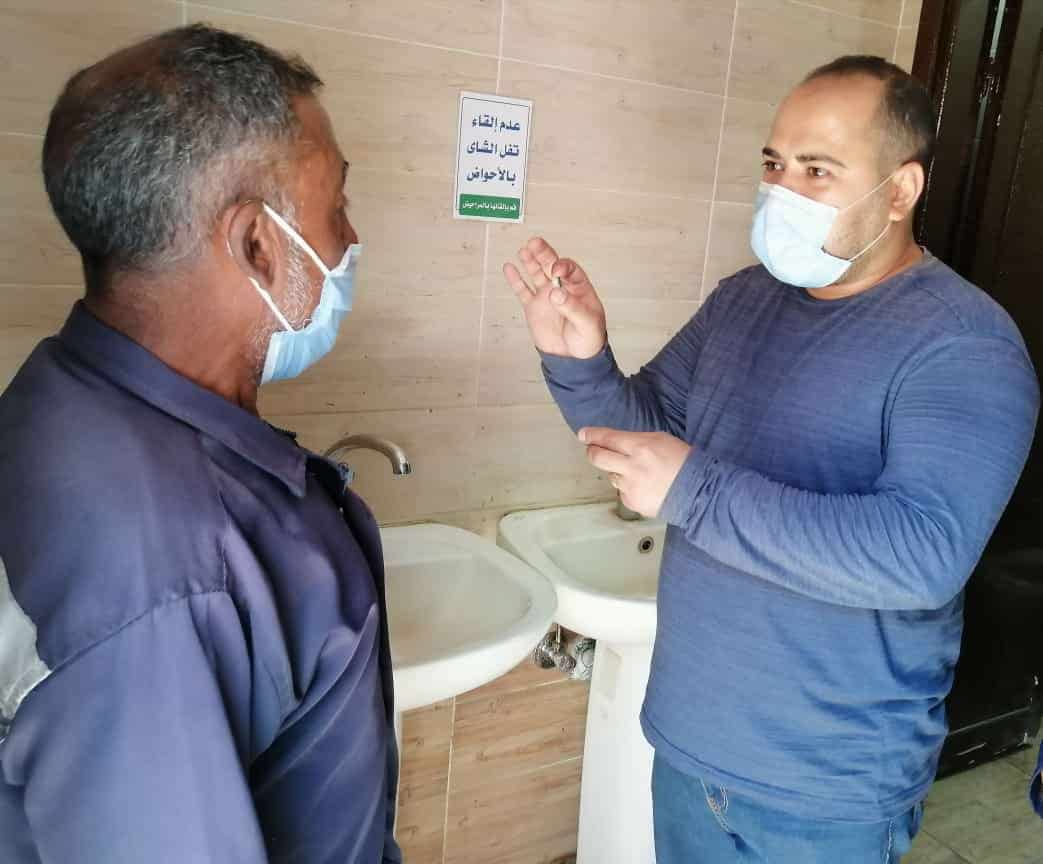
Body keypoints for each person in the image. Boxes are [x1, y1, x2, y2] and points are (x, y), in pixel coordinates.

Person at [503, 55, 1038, 863]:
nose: (782, 190)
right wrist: (580, 360)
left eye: (816, 170)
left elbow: (922, 555)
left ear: (900, 190)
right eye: (773, 164)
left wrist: (696, 490)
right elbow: (645, 438)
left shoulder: (962, 345)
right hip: (689, 744)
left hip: (822, 790)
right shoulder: (742, 300)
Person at [0, 25, 400, 864]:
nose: (351, 239)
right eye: (337, 206)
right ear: (257, 244)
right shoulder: (177, 573)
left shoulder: (59, 401)